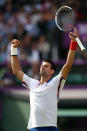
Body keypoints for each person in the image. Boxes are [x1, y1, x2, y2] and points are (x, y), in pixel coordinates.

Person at [11, 28, 79, 131]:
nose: (42, 67)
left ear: (52, 71)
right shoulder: (31, 82)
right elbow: (16, 71)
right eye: (42, 65)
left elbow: (68, 64)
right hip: (34, 128)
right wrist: (13, 49)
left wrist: (73, 42)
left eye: (46, 66)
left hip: (50, 128)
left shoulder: (56, 82)